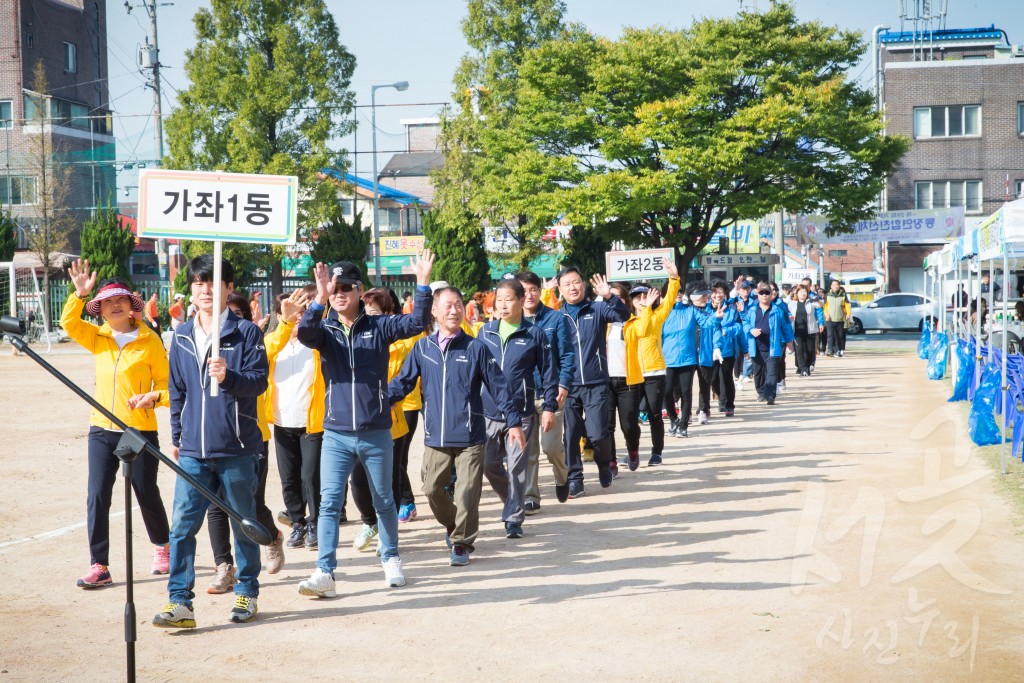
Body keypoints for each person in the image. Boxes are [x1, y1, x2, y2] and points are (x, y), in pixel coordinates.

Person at [295, 253, 435, 598]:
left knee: (384, 499)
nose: (339, 293)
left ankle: (390, 558)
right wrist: (317, 297)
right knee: (328, 503)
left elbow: (416, 322)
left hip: (375, 430)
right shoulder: (324, 329)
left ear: (360, 291)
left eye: (346, 287)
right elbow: (304, 334)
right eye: (334, 288)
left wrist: (422, 284)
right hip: (336, 433)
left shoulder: (379, 326)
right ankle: (324, 571)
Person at [155, 253, 269, 628]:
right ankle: (180, 602)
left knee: (244, 523)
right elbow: (178, 390)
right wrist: (177, 434)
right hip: (193, 453)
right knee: (182, 528)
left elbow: (259, 382)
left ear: (228, 289)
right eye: (199, 283)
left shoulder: (247, 332)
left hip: (237, 449)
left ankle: (247, 593)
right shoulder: (183, 336)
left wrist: (230, 376)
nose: (206, 290)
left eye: (214, 283)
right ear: (192, 289)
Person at [389, 286, 524, 565]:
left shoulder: (476, 348)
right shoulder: (422, 348)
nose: (454, 310)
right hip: (436, 435)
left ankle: (462, 542)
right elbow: (402, 382)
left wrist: (513, 422)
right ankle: (454, 525)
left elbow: (499, 388)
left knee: (466, 492)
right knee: (431, 490)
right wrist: (382, 402)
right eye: (448, 306)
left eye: (458, 305)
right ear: (435, 312)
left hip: (470, 437)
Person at [62, 260, 172, 589]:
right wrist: (79, 295)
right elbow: (69, 322)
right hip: (101, 430)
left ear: (131, 305)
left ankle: (162, 548)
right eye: (107, 302)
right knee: (97, 495)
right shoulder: (97, 337)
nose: (114, 306)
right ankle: (100, 565)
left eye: (120, 300)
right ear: (100, 309)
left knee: (144, 490)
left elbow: (170, 388)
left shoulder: (150, 341)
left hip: (137, 431)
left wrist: (152, 397)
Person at [204, 290, 284, 594]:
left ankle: (272, 537)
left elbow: (261, 372)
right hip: (213, 439)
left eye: (236, 313)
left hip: (251, 438)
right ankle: (224, 566)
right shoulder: (203, 342)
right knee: (215, 505)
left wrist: (285, 321)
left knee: (247, 505)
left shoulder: (252, 342)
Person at [478, 279, 557, 538]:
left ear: (522, 301)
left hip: (521, 413)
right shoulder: (485, 332)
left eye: (509, 299)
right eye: (499, 299)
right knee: (489, 465)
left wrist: (549, 407)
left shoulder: (534, 334)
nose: (502, 305)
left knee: (516, 467)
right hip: (489, 412)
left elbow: (548, 372)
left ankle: (513, 518)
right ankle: (513, 501)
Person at [347, 287, 417, 553]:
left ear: (388, 314)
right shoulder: (355, 338)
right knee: (358, 479)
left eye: (375, 311)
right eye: (365, 310)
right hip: (357, 420)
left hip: (392, 419)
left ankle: (389, 530)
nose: (368, 316)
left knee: (389, 478)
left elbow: (405, 379)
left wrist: (388, 398)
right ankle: (369, 521)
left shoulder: (405, 342)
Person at [557, 266, 630, 499]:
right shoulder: (557, 317)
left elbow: (623, 315)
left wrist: (609, 295)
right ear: (560, 289)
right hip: (568, 385)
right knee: (570, 435)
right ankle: (575, 479)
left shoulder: (597, 309)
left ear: (584, 285)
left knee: (598, 434)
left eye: (576, 282)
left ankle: (604, 463)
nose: (572, 287)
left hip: (597, 381)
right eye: (567, 284)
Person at [265, 286, 324, 557]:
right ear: (279, 316)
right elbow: (261, 357)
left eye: (301, 312)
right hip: (281, 421)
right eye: (289, 312)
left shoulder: (315, 344)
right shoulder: (273, 345)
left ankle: (315, 523)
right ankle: (298, 522)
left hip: (311, 422)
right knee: (289, 478)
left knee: (310, 476)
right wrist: (283, 329)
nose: (296, 317)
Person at [517, 271, 573, 515]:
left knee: (551, 447)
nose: (529, 295)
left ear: (540, 291)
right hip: (525, 395)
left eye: (533, 289)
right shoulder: (512, 322)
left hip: (551, 393)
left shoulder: (556, 319)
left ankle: (562, 477)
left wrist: (563, 384)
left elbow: (568, 355)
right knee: (529, 450)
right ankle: (531, 495)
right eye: (523, 290)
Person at [662, 280, 717, 438]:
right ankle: (673, 419)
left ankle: (683, 424)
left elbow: (707, 322)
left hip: (688, 359)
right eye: (674, 291)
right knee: (667, 392)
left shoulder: (691, 311)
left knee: (686, 393)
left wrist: (716, 317)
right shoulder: (662, 313)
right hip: (668, 359)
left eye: (680, 291)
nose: (678, 294)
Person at [744, 283, 787, 405]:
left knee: (772, 372)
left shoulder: (778, 310)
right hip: (755, 346)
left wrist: (789, 341)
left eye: (767, 293)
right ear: (757, 294)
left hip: (772, 347)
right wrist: (751, 330)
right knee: (758, 373)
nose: (764, 295)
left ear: (771, 294)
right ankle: (761, 393)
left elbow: (785, 327)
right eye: (761, 293)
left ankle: (770, 396)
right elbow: (744, 323)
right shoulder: (752, 310)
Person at [709, 280, 741, 416]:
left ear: (725, 294)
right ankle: (720, 396)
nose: (717, 295)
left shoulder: (732, 308)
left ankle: (728, 404)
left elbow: (739, 326)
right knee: (713, 379)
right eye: (715, 292)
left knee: (726, 377)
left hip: (727, 348)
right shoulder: (705, 308)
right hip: (709, 350)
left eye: (720, 292)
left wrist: (726, 330)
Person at [788, 286, 823, 377]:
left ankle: (807, 367)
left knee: (810, 351)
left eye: (804, 292)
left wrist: (817, 299)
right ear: (797, 293)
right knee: (799, 350)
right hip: (797, 331)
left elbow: (820, 305)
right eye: (801, 292)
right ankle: (803, 369)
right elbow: (787, 313)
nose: (803, 293)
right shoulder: (792, 303)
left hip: (810, 330)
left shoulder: (810, 302)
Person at [824, 280, 850, 357]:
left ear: (839, 286)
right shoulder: (828, 295)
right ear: (831, 286)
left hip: (840, 319)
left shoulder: (843, 295)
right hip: (830, 319)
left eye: (837, 285)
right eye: (834, 285)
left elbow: (847, 305)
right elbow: (825, 306)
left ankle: (838, 350)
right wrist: (826, 314)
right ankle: (830, 350)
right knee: (830, 335)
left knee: (839, 336)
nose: (835, 286)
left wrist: (848, 314)